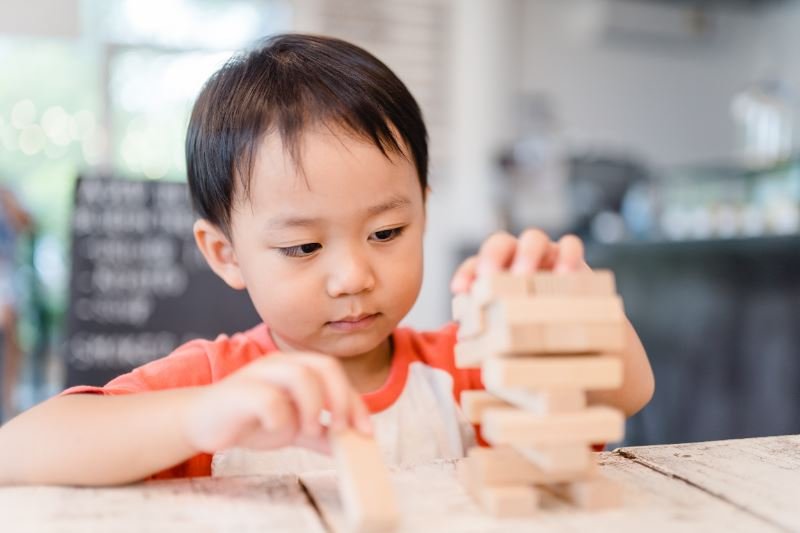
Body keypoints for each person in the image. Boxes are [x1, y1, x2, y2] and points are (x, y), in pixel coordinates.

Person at [0, 34, 654, 485]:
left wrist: (566, 304)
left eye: (388, 231)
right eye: (304, 247)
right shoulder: (216, 384)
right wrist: (199, 416)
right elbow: (17, 450)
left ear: (422, 211)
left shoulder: (465, 369)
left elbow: (628, 390)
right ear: (225, 253)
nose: (353, 276)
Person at [0, 186, 32, 423]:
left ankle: (7, 406)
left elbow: (28, 224)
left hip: (7, 283)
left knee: (11, 347)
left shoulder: (7, 194)